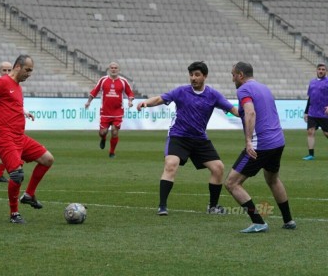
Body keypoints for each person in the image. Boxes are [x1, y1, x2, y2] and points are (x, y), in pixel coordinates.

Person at [136, 61, 238, 216]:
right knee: (171, 164)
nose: (193, 78)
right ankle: (162, 206)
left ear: (205, 76)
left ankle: (213, 207)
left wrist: (248, 112)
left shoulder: (213, 95)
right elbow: (159, 99)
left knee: (218, 168)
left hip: (199, 139)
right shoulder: (181, 91)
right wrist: (145, 103)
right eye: (191, 75)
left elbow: (233, 110)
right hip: (179, 136)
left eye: (197, 75)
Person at [0, 54, 54, 224]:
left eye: (31, 71)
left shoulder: (18, 87)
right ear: (18, 67)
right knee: (17, 174)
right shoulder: (2, 82)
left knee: (47, 159)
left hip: (19, 136)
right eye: (27, 70)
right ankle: (14, 214)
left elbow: (10, 106)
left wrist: (24, 112)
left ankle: (29, 195)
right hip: (3, 136)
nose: (29, 74)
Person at [225, 61, 296, 233]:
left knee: (232, 183)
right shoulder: (263, 87)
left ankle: (258, 221)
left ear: (240, 75)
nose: (232, 78)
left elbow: (250, 112)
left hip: (261, 144)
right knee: (272, 179)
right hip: (278, 141)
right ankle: (288, 220)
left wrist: (249, 140)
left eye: (233, 75)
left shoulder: (243, 90)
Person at [85, 62, 135, 158]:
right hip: (105, 111)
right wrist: (88, 102)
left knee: (115, 132)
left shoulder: (123, 81)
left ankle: (112, 152)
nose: (113, 69)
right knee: (102, 132)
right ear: (109, 69)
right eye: (112, 68)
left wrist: (130, 101)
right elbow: (95, 91)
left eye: (115, 68)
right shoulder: (103, 80)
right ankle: (103, 138)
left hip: (118, 112)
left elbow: (130, 93)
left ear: (118, 70)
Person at [302, 62, 328, 160]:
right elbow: (310, 98)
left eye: (323, 69)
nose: (321, 71)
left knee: (326, 133)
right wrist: (306, 112)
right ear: (316, 70)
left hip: (324, 113)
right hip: (312, 112)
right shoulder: (312, 82)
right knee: (310, 132)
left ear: (326, 71)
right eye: (319, 69)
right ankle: (311, 155)